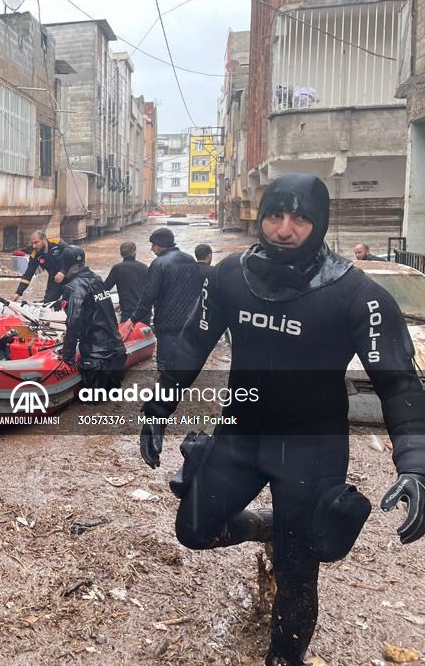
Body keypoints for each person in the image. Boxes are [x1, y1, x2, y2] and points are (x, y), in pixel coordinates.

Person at [138, 173, 425, 666]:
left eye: (300, 218)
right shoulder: (229, 275)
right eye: (275, 215)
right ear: (261, 215)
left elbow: (399, 383)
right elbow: (190, 345)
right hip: (241, 434)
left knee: (298, 571)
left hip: (313, 450)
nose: (285, 230)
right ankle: (269, 526)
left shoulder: (357, 294)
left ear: (320, 223)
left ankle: (284, 657)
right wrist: (159, 409)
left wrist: (415, 464)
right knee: (194, 530)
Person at [124, 228, 202, 371]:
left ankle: (165, 391)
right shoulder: (190, 260)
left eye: (153, 244)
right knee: (183, 362)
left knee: (165, 366)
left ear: (160, 244)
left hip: (167, 323)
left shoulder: (159, 263)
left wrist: (133, 319)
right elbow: (197, 290)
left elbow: (149, 295)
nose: (152, 248)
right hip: (189, 321)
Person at [60, 245, 126, 391]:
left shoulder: (73, 287)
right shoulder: (97, 279)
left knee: (93, 403)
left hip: (95, 356)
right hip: (116, 351)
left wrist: (68, 356)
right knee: (111, 399)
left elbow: (73, 322)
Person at [11, 231, 69, 304]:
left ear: (44, 240)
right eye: (32, 243)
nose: (34, 246)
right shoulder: (35, 255)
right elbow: (28, 275)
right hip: (54, 279)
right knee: (47, 303)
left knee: (71, 299)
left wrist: (63, 272)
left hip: (70, 275)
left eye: (36, 242)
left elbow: (73, 257)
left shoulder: (58, 243)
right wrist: (18, 292)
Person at [103, 241, 148, 323]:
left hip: (128, 313)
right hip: (144, 313)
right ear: (134, 251)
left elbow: (105, 288)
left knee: (126, 335)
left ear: (121, 254)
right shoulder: (144, 268)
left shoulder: (117, 269)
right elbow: (149, 290)